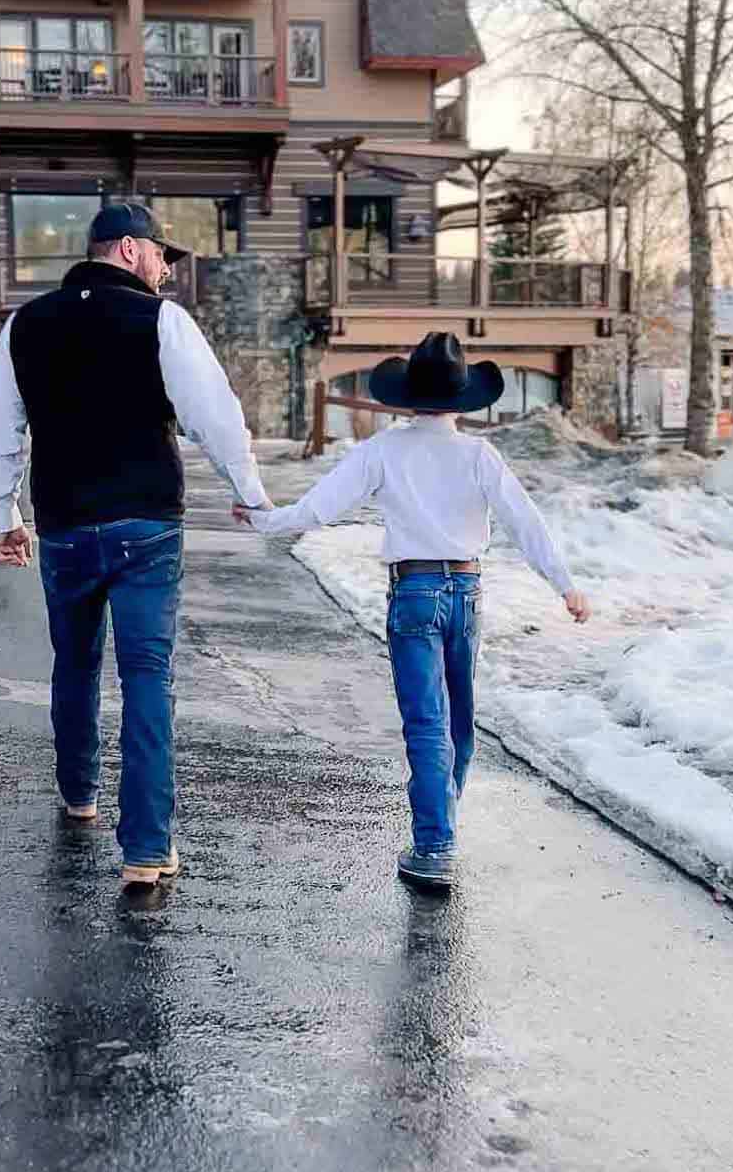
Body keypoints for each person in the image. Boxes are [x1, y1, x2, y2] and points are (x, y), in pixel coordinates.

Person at [0, 201, 270, 891]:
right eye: (163, 256)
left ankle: (79, 792)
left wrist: (3, 514)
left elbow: (1, 427)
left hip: (66, 525)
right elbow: (214, 415)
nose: (166, 271)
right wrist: (251, 493)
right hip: (146, 525)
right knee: (147, 677)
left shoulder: (25, 324)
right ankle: (145, 847)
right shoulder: (162, 321)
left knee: (74, 664)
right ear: (132, 251)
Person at [235, 333, 590, 892]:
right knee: (458, 721)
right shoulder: (479, 455)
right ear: (461, 398)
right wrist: (565, 585)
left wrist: (262, 518)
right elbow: (526, 523)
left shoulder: (385, 449)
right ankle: (440, 823)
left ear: (407, 395)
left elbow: (318, 509)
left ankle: (434, 843)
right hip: (467, 592)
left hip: (414, 591)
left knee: (427, 723)